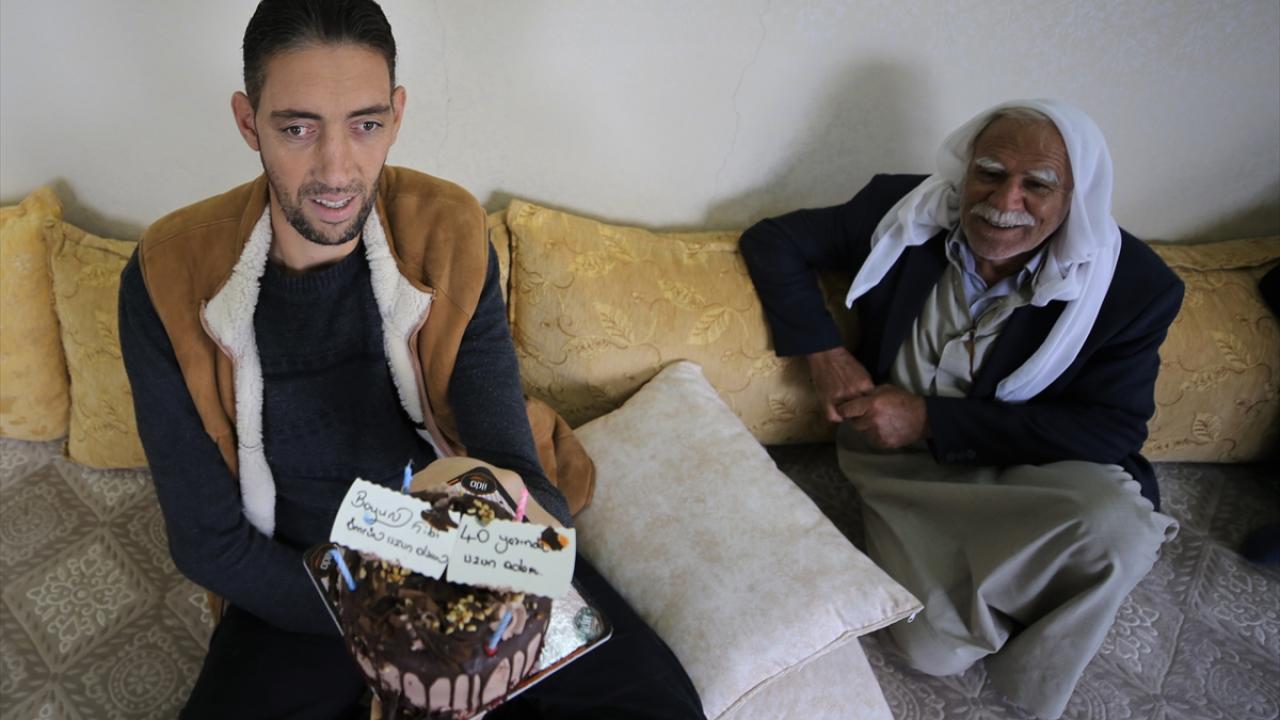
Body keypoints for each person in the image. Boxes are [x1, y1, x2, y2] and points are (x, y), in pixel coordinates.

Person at [118, 1, 704, 718]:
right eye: (298, 128)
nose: (337, 170)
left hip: (462, 559)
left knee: (658, 708)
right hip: (300, 582)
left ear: (396, 116)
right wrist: (388, 630)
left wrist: (487, 579)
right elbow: (209, 546)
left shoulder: (448, 230)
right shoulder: (166, 274)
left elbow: (513, 467)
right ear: (249, 123)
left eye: (365, 125)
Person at [740, 100, 1182, 720]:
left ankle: (1029, 666)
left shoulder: (1135, 286)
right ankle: (1015, 580)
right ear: (966, 169)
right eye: (990, 172)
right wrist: (826, 354)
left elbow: (1113, 427)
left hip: (1033, 470)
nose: (1004, 200)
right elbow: (772, 241)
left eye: (1037, 185)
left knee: (1116, 528)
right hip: (902, 466)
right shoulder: (903, 210)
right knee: (931, 650)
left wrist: (930, 418)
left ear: (1074, 198)